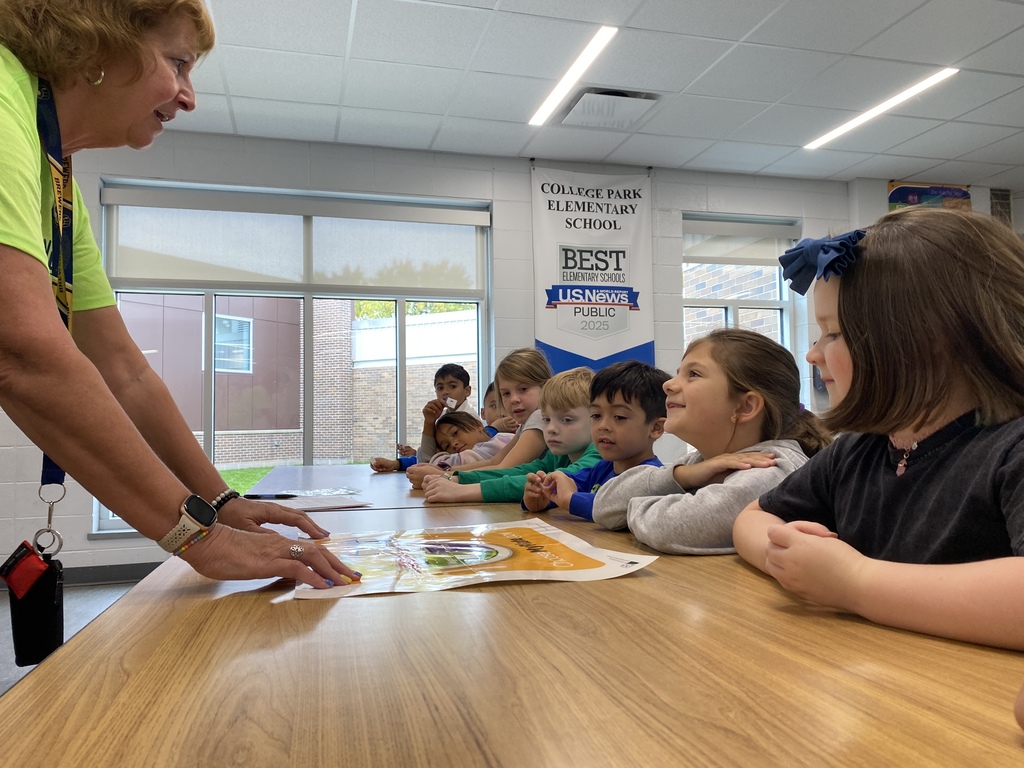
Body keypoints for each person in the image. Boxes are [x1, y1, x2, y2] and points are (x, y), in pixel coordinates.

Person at [0, 0, 356, 588]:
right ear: (99, 43)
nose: (189, 96)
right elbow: (21, 353)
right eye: (178, 63)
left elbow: (124, 371)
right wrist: (200, 538)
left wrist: (218, 503)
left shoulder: (55, 177)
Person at [732, 207, 1024, 651]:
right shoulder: (856, 451)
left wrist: (854, 582)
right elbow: (753, 517)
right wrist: (788, 557)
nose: (812, 355)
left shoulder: (1012, 449)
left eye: (833, 334)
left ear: (927, 338)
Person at [592, 329, 830, 554]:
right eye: (678, 373)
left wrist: (633, 507)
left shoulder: (770, 469)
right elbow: (603, 506)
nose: (668, 384)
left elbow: (669, 528)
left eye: (693, 374)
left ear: (745, 406)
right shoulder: (702, 461)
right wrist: (682, 476)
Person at [421, 367, 601, 504]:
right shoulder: (558, 455)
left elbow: (544, 482)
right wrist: (457, 478)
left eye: (567, 420)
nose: (551, 429)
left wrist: (461, 491)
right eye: (546, 419)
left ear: (596, 419)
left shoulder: (598, 456)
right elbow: (520, 471)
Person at [524, 361, 668, 520]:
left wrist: (570, 499)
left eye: (619, 417)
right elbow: (566, 486)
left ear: (655, 428)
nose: (603, 426)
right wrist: (543, 497)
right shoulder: (601, 469)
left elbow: (613, 506)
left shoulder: (653, 479)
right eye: (596, 416)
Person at [410, 347, 552, 488]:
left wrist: (443, 476)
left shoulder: (539, 417)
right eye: (506, 393)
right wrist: (444, 471)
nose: (514, 399)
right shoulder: (526, 424)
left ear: (545, 386)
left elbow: (504, 469)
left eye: (523, 389)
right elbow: (494, 461)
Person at [371, 411, 512, 472]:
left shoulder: (503, 440)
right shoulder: (443, 419)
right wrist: (398, 463)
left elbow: (434, 464)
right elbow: (427, 463)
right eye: (447, 446)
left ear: (478, 424)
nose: (454, 444)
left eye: (456, 433)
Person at [391, 362, 476, 461]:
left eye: (452, 386)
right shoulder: (442, 417)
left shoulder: (471, 418)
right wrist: (429, 422)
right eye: (440, 388)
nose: (445, 392)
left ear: (467, 391)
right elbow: (425, 459)